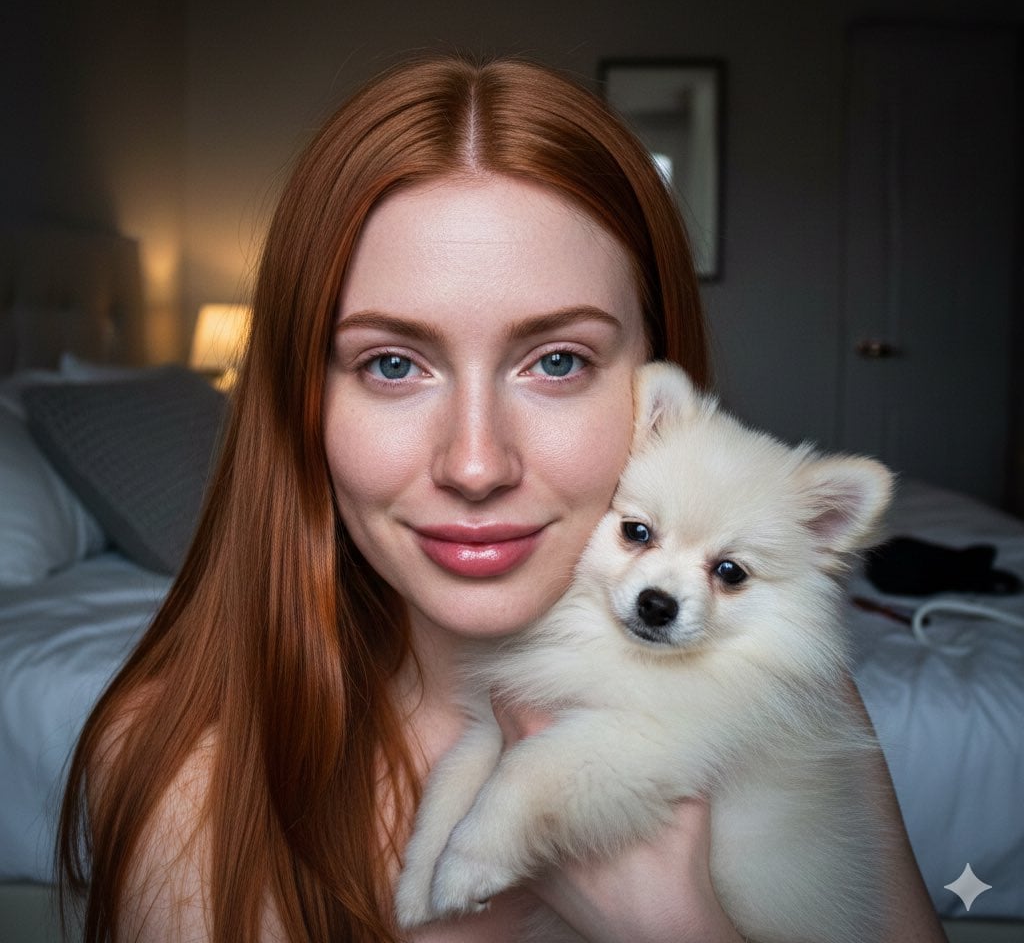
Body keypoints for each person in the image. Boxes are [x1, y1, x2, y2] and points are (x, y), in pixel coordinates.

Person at [58, 55, 947, 943]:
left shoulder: (797, 695)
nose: (476, 464)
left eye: (557, 361)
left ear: (656, 385)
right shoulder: (182, 768)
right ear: (304, 398)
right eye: (392, 364)